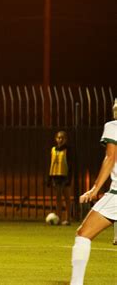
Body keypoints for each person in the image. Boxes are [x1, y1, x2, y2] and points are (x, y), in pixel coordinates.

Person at [70, 98, 117, 285]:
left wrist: (95, 188)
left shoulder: (113, 126)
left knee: (83, 234)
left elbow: (111, 157)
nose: (114, 107)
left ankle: (76, 283)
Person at [47, 130, 72, 225]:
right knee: (58, 198)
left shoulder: (67, 150)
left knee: (66, 198)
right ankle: (58, 218)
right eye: (58, 137)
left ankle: (68, 219)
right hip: (55, 175)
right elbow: (51, 164)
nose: (60, 139)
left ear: (65, 139)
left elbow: (70, 165)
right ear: (55, 139)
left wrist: (69, 178)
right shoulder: (53, 149)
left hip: (64, 176)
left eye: (62, 138)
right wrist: (49, 178)